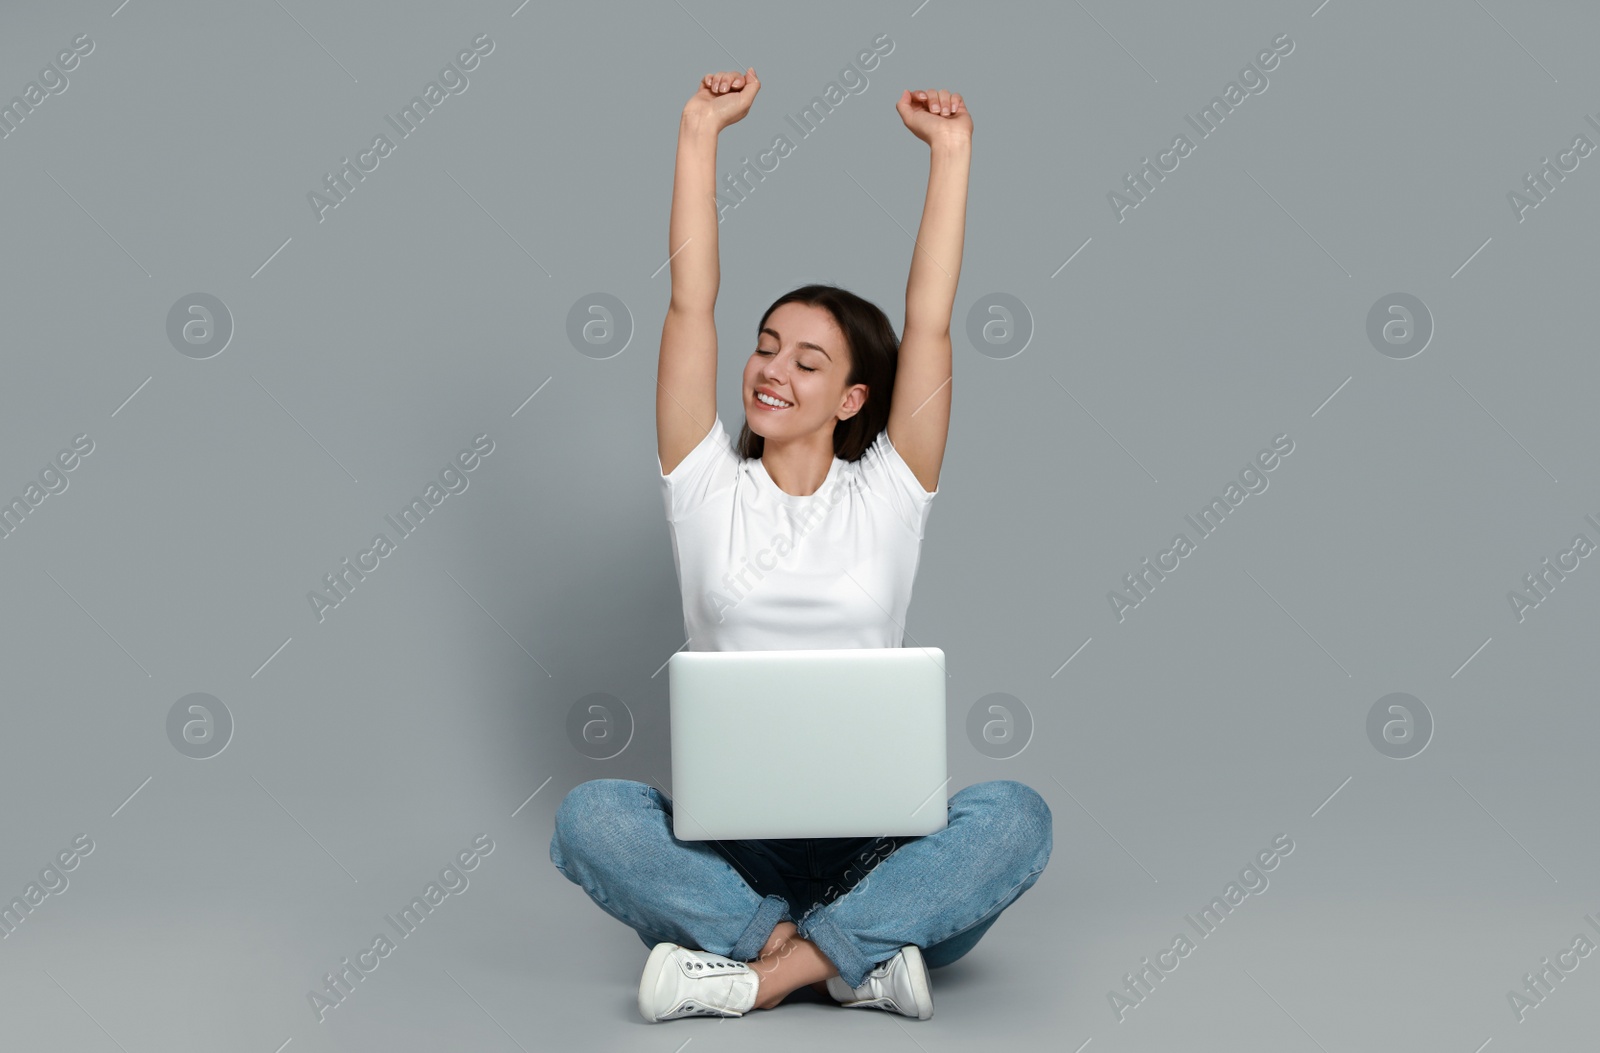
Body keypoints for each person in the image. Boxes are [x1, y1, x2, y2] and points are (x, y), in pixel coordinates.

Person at [548, 66, 1052, 1024]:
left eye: (807, 361)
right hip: (736, 860)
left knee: (1015, 817)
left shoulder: (891, 494)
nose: (771, 370)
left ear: (854, 398)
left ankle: (759, 973)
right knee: (593, 817)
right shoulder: (704, 486)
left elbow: (931, 322)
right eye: (767, 345)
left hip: (879, 850)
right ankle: (843, 957)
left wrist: (953, 156)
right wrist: (699, 130)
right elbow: (689, 305)